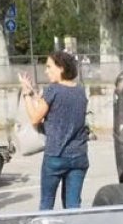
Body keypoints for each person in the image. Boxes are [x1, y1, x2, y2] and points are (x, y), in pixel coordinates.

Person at [19, 51, 89, 210]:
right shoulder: (80, 90)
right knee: (73, 204)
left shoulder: (53, 89)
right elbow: (58, 109)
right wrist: (35, 94)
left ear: (61, 68)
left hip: (56, 155)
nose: (46, 70)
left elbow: (35, 118)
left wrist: (26, 94)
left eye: (49, 66)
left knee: (47, 202)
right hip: (79, 155)